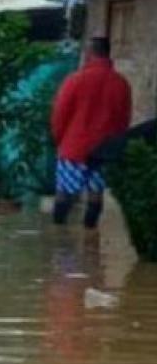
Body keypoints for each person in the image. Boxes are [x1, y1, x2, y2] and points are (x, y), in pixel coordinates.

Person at [51, 36, 131, 230]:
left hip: (74, 147)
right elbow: (124, 119)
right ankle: (90, 240)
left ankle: (58, 242)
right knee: (96, 194)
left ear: (89, 54)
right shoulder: (121, 83)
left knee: (65, 194)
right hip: (105, 149)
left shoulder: (75, 80)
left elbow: (60, 114)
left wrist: (59, 140)